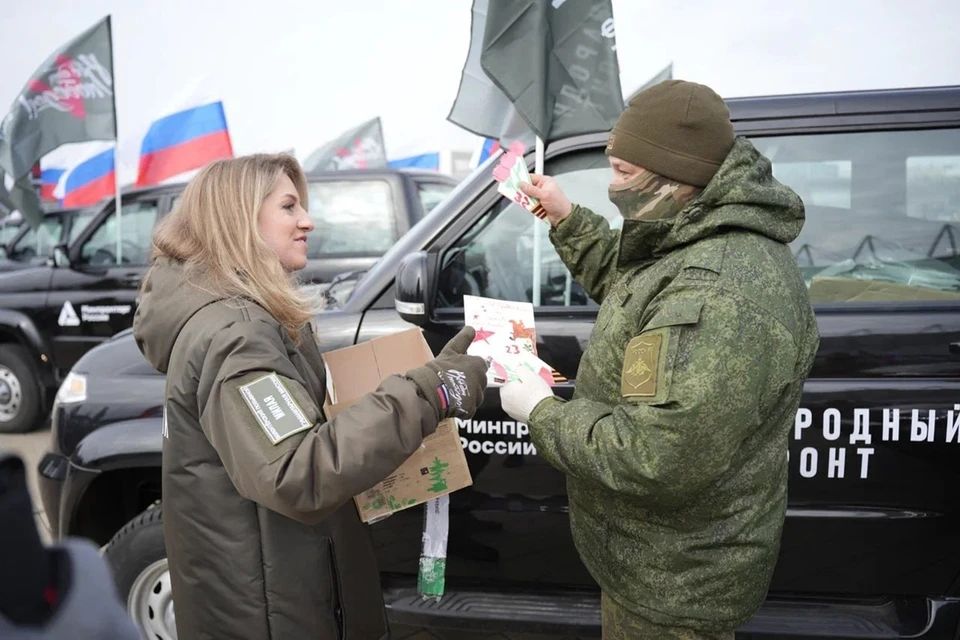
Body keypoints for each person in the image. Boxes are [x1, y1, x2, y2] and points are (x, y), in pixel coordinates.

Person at [499, 79, 820, 639]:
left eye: (623, 171)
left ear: (678, 179)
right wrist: (565, 217)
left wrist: (540, 412)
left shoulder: (720, 292)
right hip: (658, 564)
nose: (612, 184)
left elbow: (652, 456)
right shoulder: (697, 237)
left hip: (675, 588)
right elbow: (638, 293)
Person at [132, 153, 487, 640]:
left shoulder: (241, 320)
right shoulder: (236, 335)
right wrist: (431, 391)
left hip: (275, 595)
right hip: (271, 613)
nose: (307, 221)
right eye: (288, 207)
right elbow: (297, 471)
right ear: (240, 219)